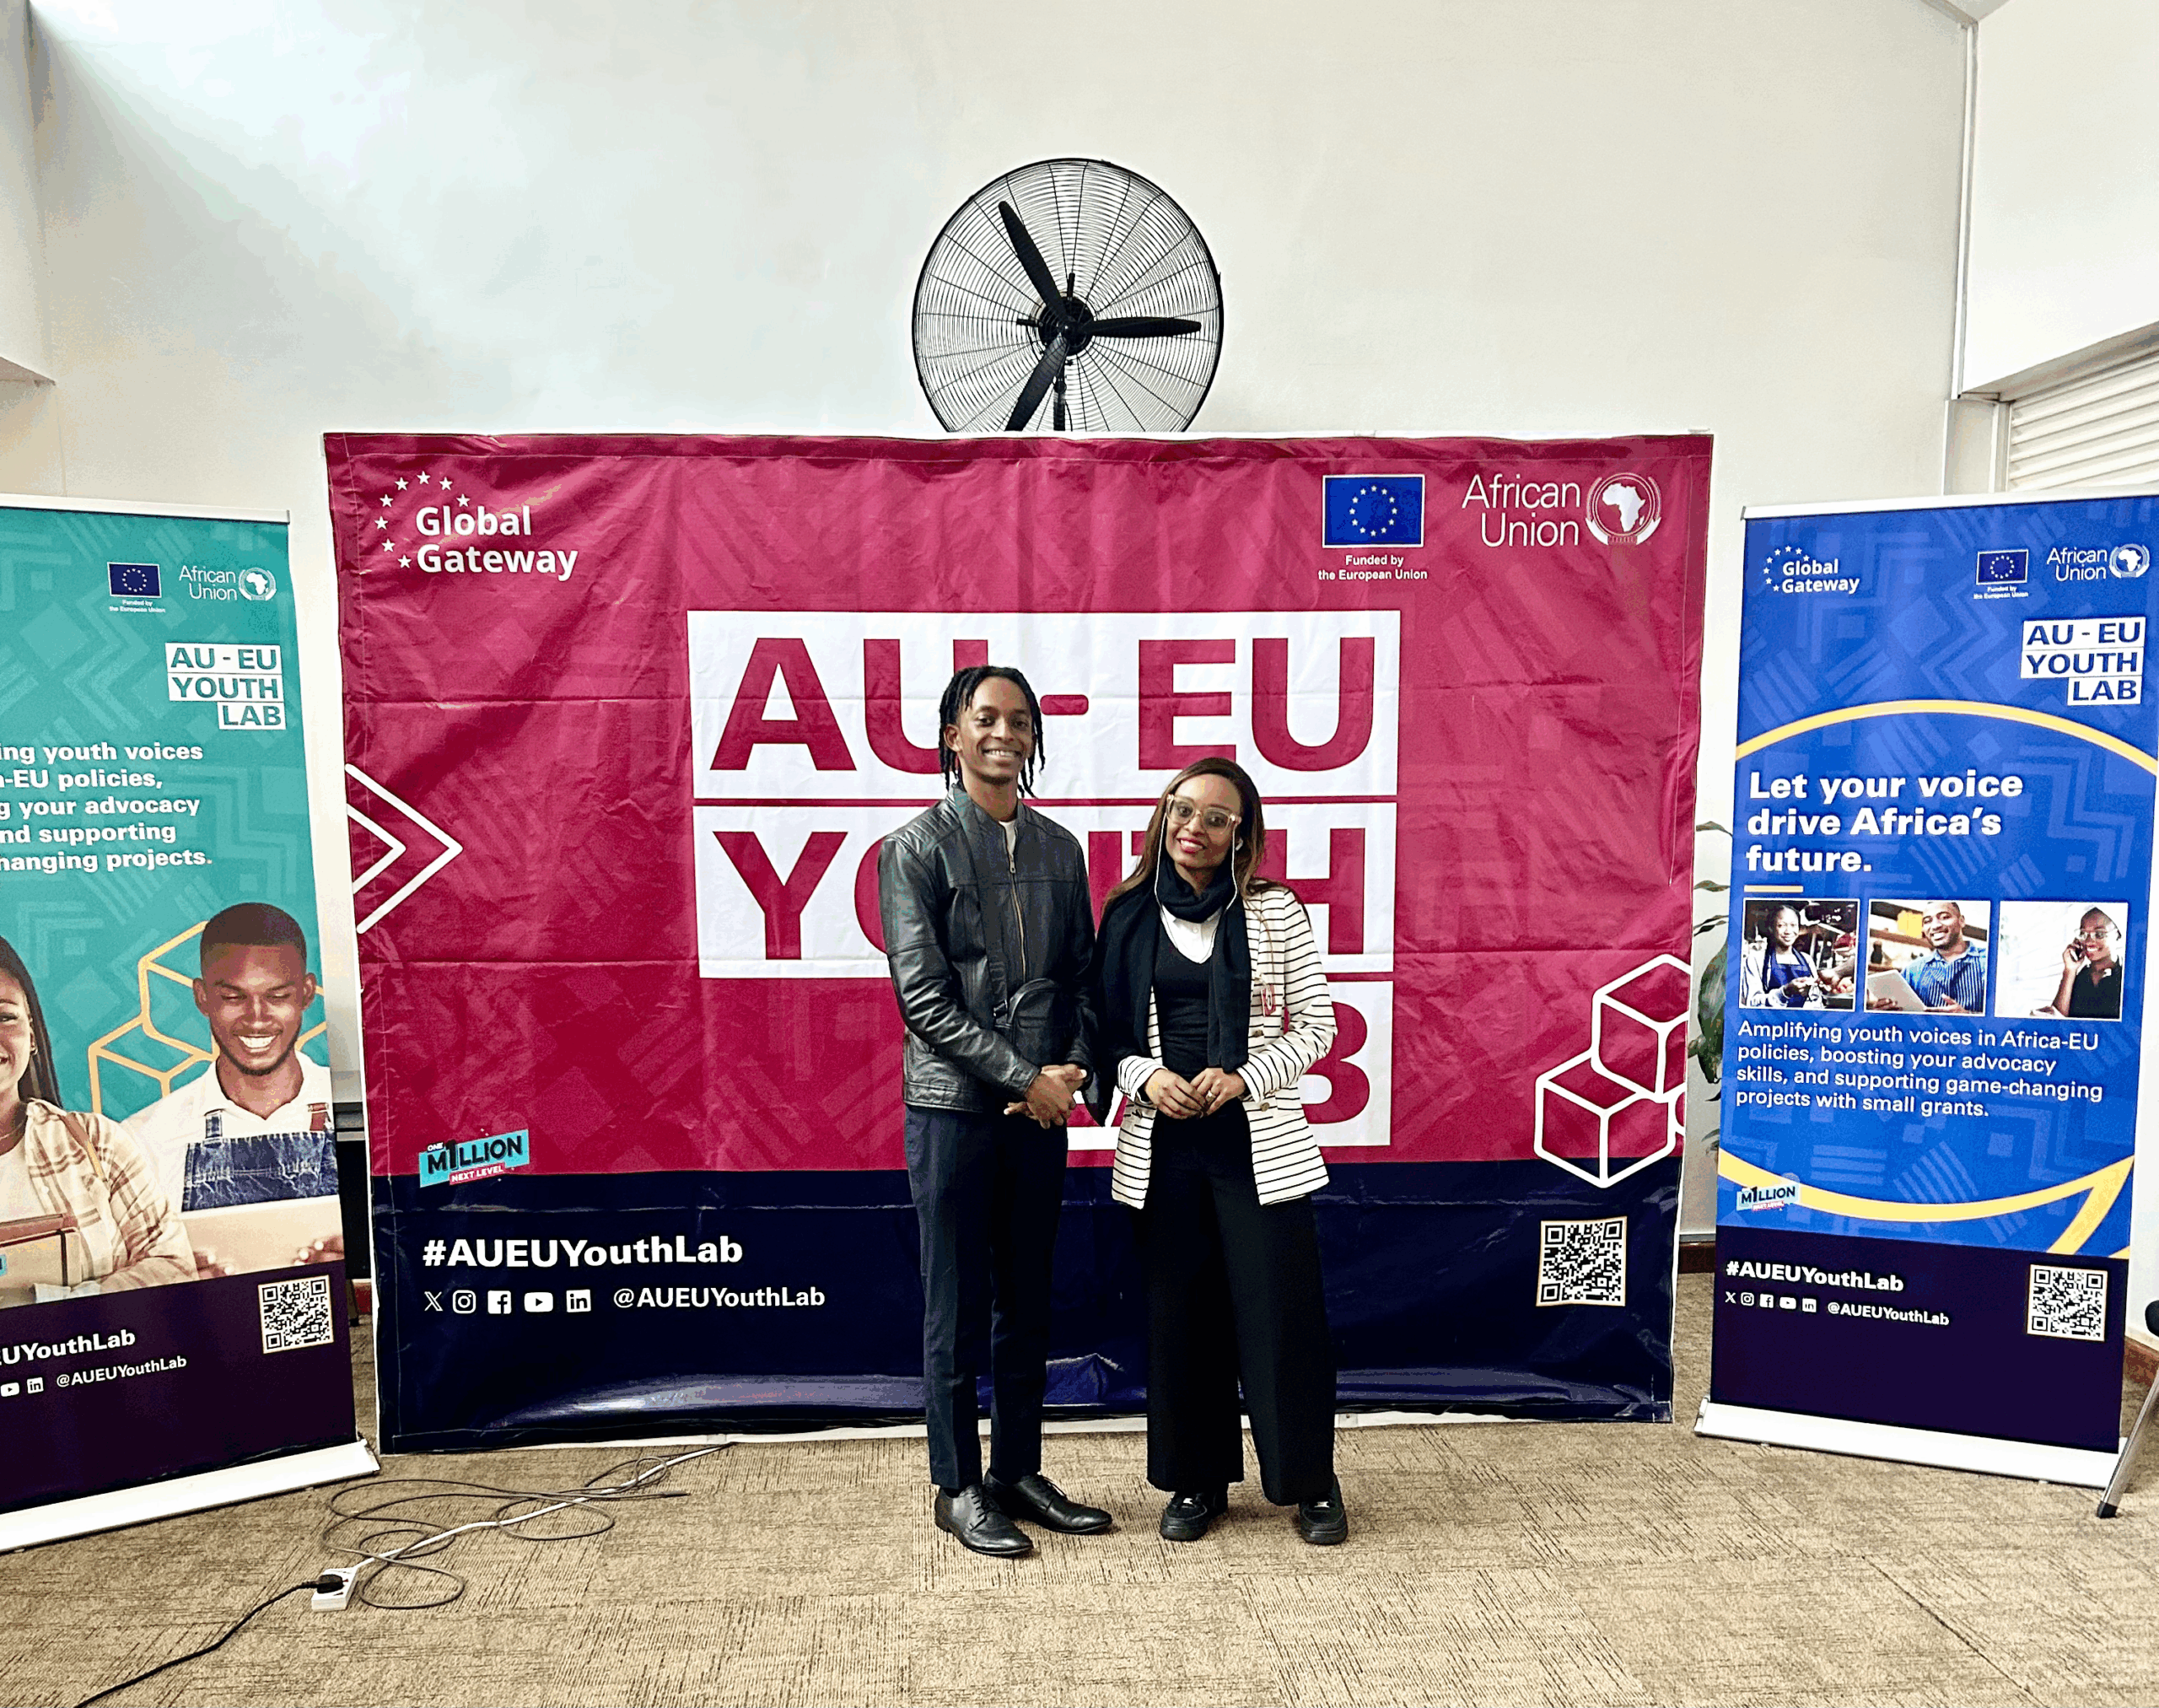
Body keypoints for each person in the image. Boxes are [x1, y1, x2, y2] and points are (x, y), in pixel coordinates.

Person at [876, 665, 1110, 1559]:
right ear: (951, 736)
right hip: (952, 1112)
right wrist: (1024, 1077)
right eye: (984, 718)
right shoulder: (914, 848)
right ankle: (956, 1487)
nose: (1002, 732)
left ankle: (1016, 1471)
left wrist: (1077, 1065)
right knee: (954, 1308)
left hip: (1038, 1114)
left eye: (1018, 719)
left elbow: (1085, 979)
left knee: (1026, 1305)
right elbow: (924, 1000)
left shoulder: (1060, 849)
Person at [1090, 757, 1346, 1546]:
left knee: (1282, 1318)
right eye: (1183, 808)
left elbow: (1319, 1025)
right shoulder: (1127, 913)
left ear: (1242, 833)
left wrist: (1243, 1076)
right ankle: (1196, 1480)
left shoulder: (1276, 912)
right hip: (1165, 1148)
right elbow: (1105, 1037)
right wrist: (1145, 1077)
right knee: (1181, 1319)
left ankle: (1310, 1482)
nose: (1194, 827)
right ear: (1164, 814)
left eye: (1216, 816)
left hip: (1255, 1144)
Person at [121, 904, 340, 1276]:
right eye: (234, 997)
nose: (257, 1018)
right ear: (202, 997)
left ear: (306, 993)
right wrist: (172, 1288)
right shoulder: (140, 1144)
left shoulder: (364, 1110)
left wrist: (362, 1265)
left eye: (278, 996)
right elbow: (124, 1298)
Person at [0, 935, 191, 1300]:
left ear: (33, 1034)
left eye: (5, 1016)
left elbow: (173, 1267)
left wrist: (35, 1302)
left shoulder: (98, 1142)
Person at [1892, 900, 1988, 1014]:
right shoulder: (1912, 970)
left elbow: (2007, 1016)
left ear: (1961, 921)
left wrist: (1968, 1016)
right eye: (1927, 921)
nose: (1935, 926)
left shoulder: (1990, 962)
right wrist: (1883, 1012)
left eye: (1944, 917)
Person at [2044, 908, 2124, 1020]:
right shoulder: (2079, 977)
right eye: (2083, 934)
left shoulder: (2127, 976)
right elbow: (2057, 1019)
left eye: (2099, 934)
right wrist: (2070, 970)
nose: (2088, 941)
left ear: (2118, 935)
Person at [1739, 905, 1823, 1008]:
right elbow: (1752, 1003)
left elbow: (1817, 1001)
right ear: (1771, 928)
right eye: (1781, 925)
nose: (1788, 931)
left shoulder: (1807, 959)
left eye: (1793, 925)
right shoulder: (1756, 960)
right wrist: (1784, 993)